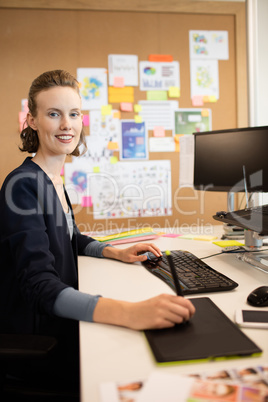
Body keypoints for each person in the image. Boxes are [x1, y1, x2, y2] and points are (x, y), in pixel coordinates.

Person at [0, 70, 195, 392]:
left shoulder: (51, 178)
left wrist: (113, 251)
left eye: (74, 114)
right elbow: (37, 285)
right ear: (32, 121)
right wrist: (130, 312)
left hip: (61, 319)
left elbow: (69, 237)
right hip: (41, 336)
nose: (67, 125)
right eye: (54, 114)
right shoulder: (22, 186)